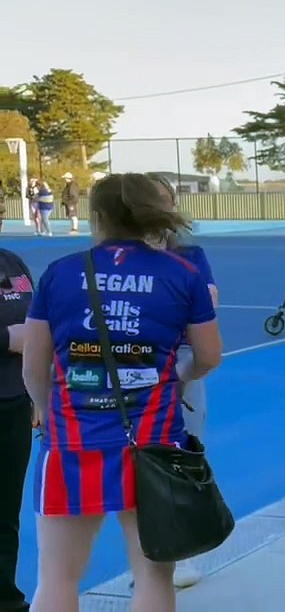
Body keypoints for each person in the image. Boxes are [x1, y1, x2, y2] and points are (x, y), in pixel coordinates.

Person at [22, 172, 222, 612]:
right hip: (153, 443)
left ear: (98, 217)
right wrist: (175, 376)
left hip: (72, 441)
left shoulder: (61, 273)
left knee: (56, 578)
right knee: (153, 575)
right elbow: (208, 355)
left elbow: (34, 366)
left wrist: (44, 410)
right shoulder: (183, 273)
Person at [144, 172, 218, 589]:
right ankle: (148, 556)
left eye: (164, 199)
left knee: (182, 456)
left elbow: (207, 307)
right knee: (135, 463)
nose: (158, 207)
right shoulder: (114, 257)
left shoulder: (190, 255)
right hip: (133, 371)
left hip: (180, 365)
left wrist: (181, 374)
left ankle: (183, 552)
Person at [0, 248, 33, 612]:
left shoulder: (12, 262)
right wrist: (8, 338)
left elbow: (37, 323)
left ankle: (6, 598)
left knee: (6, 512)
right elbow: (19, 335)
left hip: (14, 403)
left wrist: (37, 393)